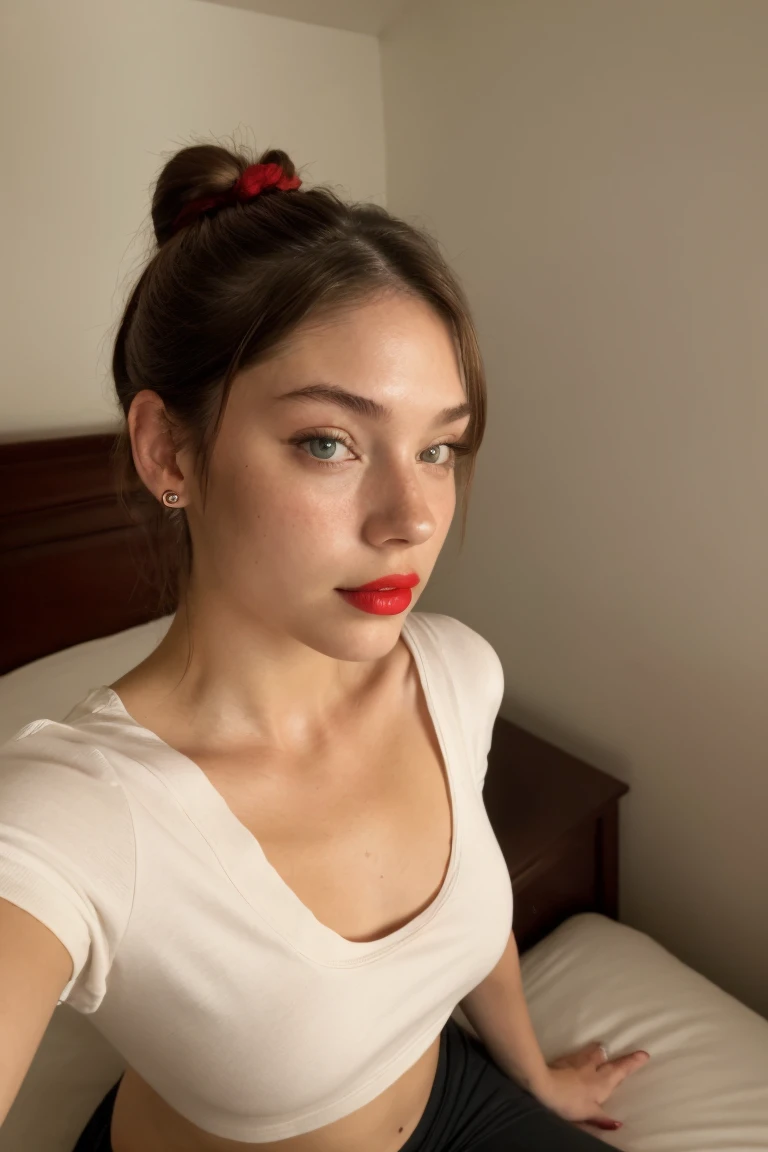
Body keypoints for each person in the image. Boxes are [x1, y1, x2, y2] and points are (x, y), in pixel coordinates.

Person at [0, 143, 650, 1152]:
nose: (412, 519)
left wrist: (535, 1081)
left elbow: (474, 937)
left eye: (438, 448)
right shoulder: (75, 812)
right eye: (328, 442)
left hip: (452, 1101)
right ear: (169, 449)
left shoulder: (453, 672)